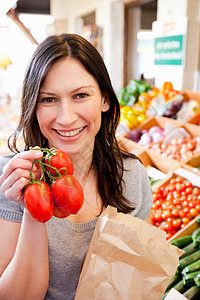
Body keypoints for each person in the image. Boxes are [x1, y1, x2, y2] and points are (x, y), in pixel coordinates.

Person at [0, 33, 152, 300]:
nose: (66, 117)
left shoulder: (131, 177)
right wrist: (33, 210)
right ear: (33, 107)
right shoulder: (11, 178)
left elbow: (135, 284)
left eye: (81, 95)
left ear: (105, 100)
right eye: (48, 99)